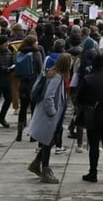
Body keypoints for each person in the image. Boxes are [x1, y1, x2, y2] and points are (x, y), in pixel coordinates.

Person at [28, 52, 72, 184]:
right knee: (48, 142)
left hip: (54, 116)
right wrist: (52, 112)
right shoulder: (57, 78)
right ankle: (44, 170)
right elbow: (49, 97)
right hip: (50, 116)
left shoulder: (57, 75)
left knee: (51, 140)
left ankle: (37, 163)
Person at [76, 53, 103, 183]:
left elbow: (79, 98)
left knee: (93, 146)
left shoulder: (88, 79)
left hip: (93, 116)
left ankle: (93, 172)